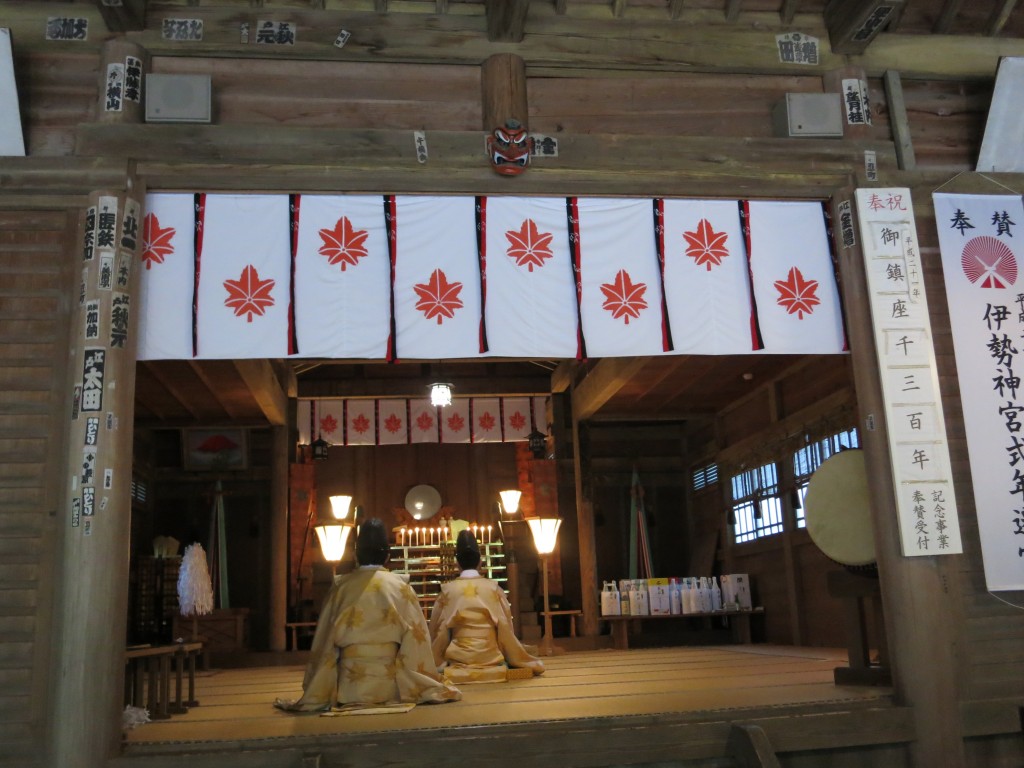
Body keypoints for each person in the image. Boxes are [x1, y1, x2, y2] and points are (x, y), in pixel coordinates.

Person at [275, 518, 461, 712]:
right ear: (387, 556)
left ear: (356, 554)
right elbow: (416, 640)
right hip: (391, 686)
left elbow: (325, 640)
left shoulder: (341, 587)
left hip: (349, 687)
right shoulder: (400, 587)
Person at [429, 529, 545, 684]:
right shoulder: (493, 588)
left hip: (459, 657)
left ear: (456, 562)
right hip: (489, 655)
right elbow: (505, 626)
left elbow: (438, 629)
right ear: (480, 561)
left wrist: (435, 656)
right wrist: (511, 653)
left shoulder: (447, 591)